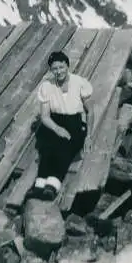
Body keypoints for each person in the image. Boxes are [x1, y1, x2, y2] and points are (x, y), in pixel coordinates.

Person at [26, 50, 94, 202]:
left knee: (65, 147)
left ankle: (52, 185)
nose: (59, 71)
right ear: (51, 70)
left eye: (61, 67)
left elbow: (91, 111)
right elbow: (44, 116)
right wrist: (57, 128)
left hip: (74, 123)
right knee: (47, 147)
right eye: (55, 69)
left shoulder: (79, 83)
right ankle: (39, 184)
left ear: (67, 66)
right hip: (54, 122)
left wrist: (89, 136)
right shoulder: (47, 86)